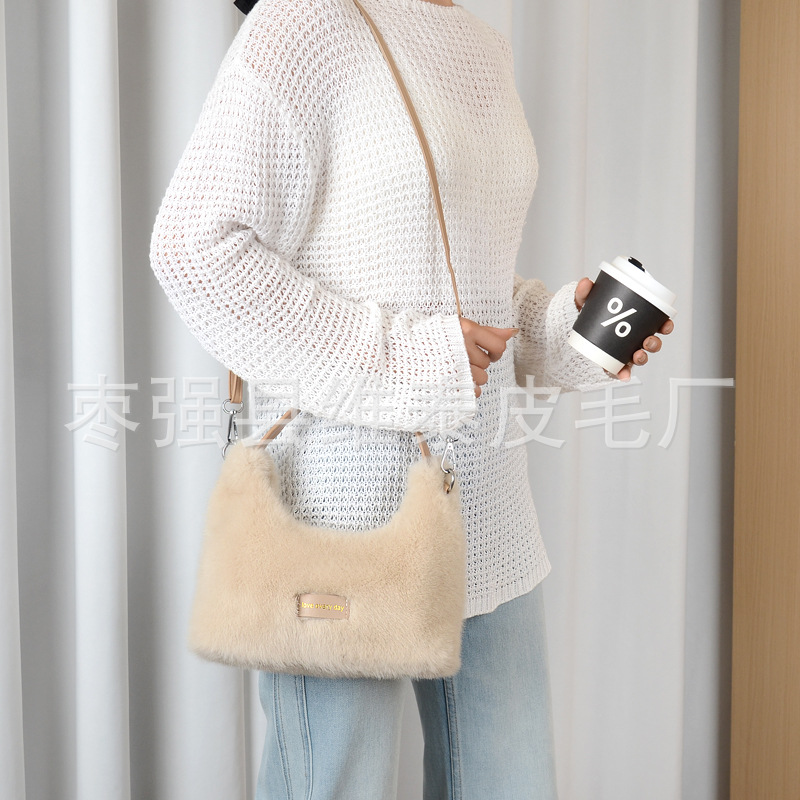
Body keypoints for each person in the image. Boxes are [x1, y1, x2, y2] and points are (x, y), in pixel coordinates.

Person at [149, 0, 673, 797]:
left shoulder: (483, 47)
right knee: (338, 784)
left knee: (513, 782)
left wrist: (559, 328)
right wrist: (412, 356)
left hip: (487, 506)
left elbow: (463, 282)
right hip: (337, 516)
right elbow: (194, 248)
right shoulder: (305, 22)